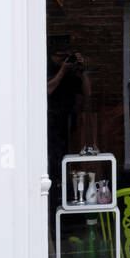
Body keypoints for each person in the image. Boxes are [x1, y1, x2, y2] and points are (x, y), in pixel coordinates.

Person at [47, 36, 92, 210]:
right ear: (53, 55)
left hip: (69, 121)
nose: (65, 60)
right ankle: (54, 194)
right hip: (50, 121)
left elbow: (87, 93)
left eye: (68, 56)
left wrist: (82, 70)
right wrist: (62, 71)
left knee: (67, 159)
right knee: (53, 160)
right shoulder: (46, 67)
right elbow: (47, 90)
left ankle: (66, 191)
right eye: (62, 56)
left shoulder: (72, 71)